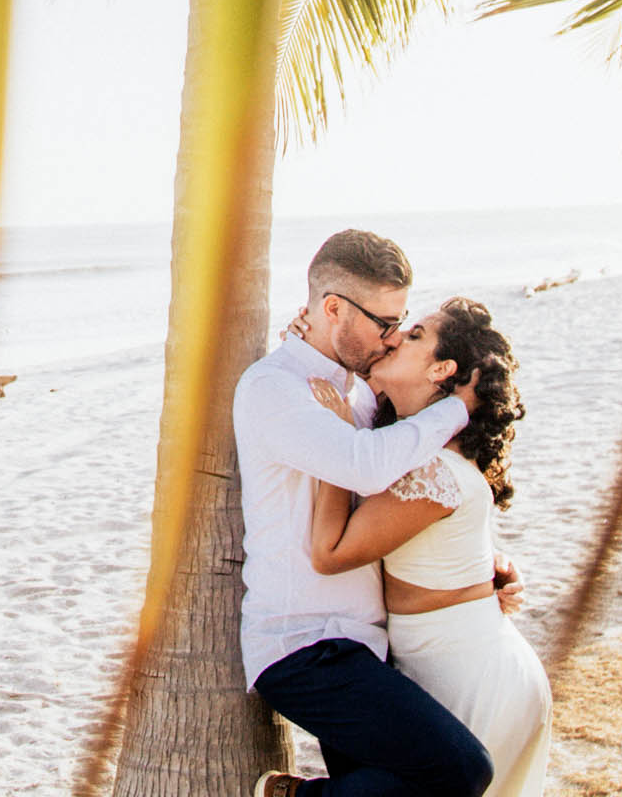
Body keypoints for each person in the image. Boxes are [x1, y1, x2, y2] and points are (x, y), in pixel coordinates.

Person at [234, 230, 495, 797]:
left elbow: (405, 495)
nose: (394, 336)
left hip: (364, 644)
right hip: (304, 645)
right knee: (462, 770)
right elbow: (366, 466)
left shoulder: (357, 393)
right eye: (385, 322)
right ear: (333, 309)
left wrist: (486, 567)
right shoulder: (273, 389)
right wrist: (456, 408)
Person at [306, 298, 549, 797]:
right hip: (458, 662)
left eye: (414, 335)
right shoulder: (427, 455)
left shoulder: (434, 468)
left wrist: (340, 441)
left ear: (442, 369)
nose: (395, 337)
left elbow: (330, 553)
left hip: (471, 677)